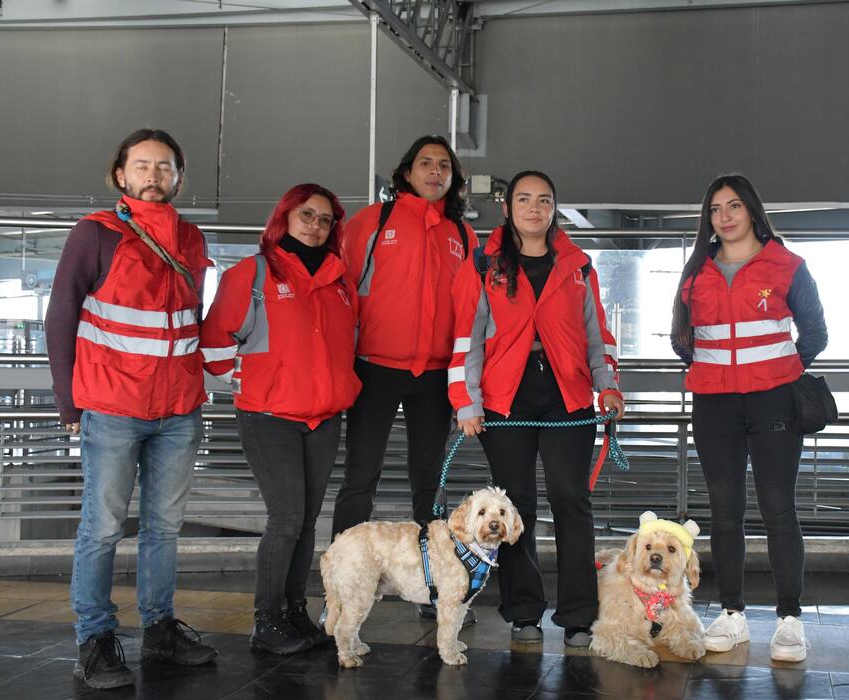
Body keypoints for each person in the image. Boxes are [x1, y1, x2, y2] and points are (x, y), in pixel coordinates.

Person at [45, 128, 218, 690]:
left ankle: (160, 629)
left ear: (178, 177)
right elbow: (61, 316)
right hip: (112, 406)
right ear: (120, 174)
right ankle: (93, 639)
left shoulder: (191, 239)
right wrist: (68, 401)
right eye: (141, 165)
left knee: (164, 529)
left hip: (179, 410)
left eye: (164, 167)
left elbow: (194, 320)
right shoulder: (95, 234)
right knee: (102, 528)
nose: (153, 175)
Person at [448, 170, 625, 648]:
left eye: (543, 200)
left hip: (567, 394)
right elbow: (467, 340)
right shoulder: (484, 264)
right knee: (516, 504)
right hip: (506, 397)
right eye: (523, 199)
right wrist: (466, 401)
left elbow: (597, 338)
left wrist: (608, 388)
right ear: (507, 209)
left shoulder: (577, 267)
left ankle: (578, 616)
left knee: (571, 499)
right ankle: (524, 613)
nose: (533, 208)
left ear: (554, 209)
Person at [670, 173, 828, 663]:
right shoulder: (696, 272)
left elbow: (816, 335)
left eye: (734, 205)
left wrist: (778, 372)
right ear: (708, 219)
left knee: (778, 509)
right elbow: (681, 339)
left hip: (774, 403)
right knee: (724, 512)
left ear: (753, 211)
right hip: (714, 405)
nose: (726, 216)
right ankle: (732, 614)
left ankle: (789, 620)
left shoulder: (787, 265)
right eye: (716, 209)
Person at [200, 184, 361, 655]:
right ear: (284, 217)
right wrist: (254, 378)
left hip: (324, 417)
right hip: (270, 417)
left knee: (308, 520)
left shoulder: (340, 279)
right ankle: (267, 621)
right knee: (287, 518)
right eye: (306, 215)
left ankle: (294, 611)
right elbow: (214, 345)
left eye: (325, 219)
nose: (315, 225)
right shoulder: (251, 273)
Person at [330, 136, 477, 622]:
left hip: (435, 375)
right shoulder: (371, 223)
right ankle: (343, 586)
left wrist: (464, 385)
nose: (435, 172)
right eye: (425, 164)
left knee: (429, 481)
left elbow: (471, 313)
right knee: (360, 477)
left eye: (444, 166)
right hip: (375, 367)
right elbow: (341, 292)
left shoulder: (463, 234)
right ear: (407, 172)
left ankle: (433, 588)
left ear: (453, 178)